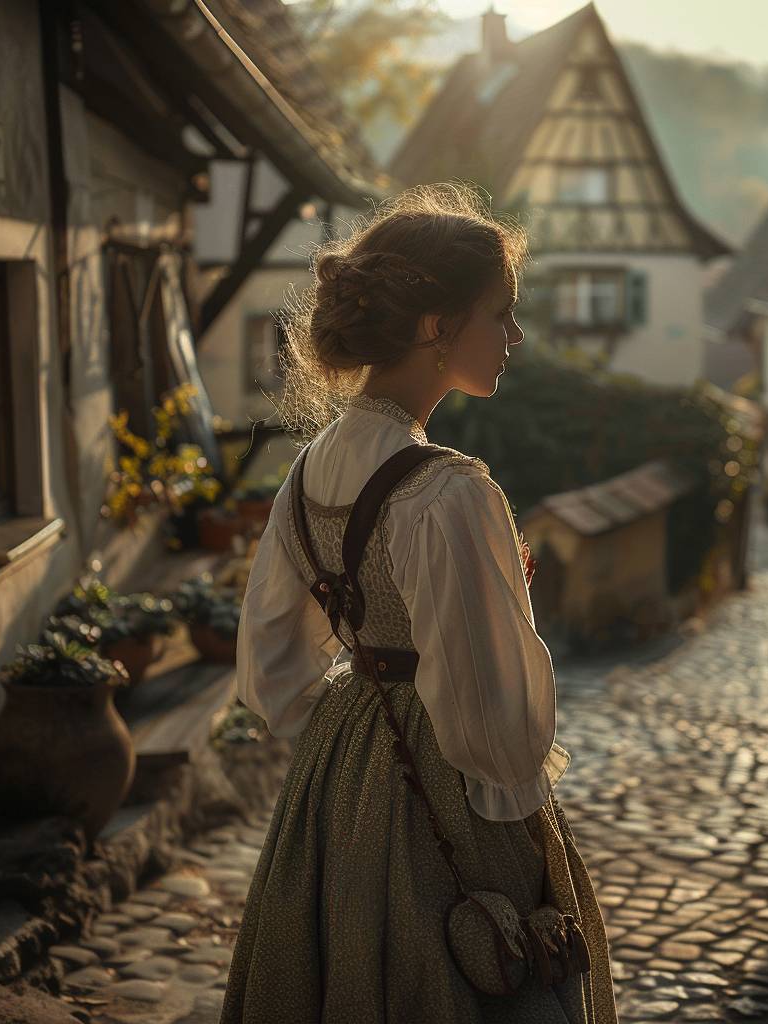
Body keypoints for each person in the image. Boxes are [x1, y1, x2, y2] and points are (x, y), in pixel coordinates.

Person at [219, 183, 619, 1024]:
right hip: (450, 785)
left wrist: (358, 714)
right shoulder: (447, 491)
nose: (514, 338)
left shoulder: (307, 471)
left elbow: (275, 670)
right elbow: (496, 730)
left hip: (340, 772)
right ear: (437, 326)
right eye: (501, 314)